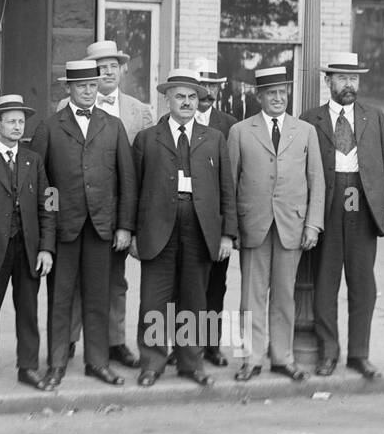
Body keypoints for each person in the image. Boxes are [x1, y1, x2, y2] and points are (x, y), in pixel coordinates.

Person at [300, 51, 384, 380]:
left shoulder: (374, 116)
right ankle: (328, 353)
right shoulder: (310, 119)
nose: (349, 84)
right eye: (342, 78)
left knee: (363, 285)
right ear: (327, 81)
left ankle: (359, 354)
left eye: (354, 79)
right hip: (326, 205)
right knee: (325, 285)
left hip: (362, 202)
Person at [131, 68, 236, 388]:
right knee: (153, 299)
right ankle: (152, 362)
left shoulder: (214, 138)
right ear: (167, 100)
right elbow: (134, 189)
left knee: (195, 297)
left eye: (193, 97)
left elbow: (226, 189)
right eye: (180, 96)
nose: (187, 102)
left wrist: (228, 234)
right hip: (158, 225)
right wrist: (132, 232)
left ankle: (191, 362)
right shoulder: (148, 138)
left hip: (200, 225)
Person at [36, 58, 137, 389]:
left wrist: (123, 226)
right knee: (60, 299)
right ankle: (56, 363)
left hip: (101, 227)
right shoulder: (50, 127)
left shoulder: (112, 125)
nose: (88, 91)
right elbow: (44, 184)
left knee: (98, 297)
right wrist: (49, 225)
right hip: (64, 228)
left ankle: (97, 362)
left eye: (93, 86)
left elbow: (126, 180)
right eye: (81, 86)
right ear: (68, 88)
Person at [53, 39, 152, 367]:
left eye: (113, 66)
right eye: (101, 66)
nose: (107, 71)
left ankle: (114, 343)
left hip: (112, 214)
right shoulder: (60, 114)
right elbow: (50, 173)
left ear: (122, 70)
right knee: (74, 284)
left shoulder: (139, 111)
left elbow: (138, 171)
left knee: (114, 283)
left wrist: (129, 223)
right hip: (74, 214)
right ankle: (67, 341)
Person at [226, 67, 324, 382]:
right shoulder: (241, 131)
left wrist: (313, 225)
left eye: (283, 92)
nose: (278, 98)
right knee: (251, 297)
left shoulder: (305, 131)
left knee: (284, 296)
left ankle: (283, 358)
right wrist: (232, 229)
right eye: (271, 93)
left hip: (291, 226)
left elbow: (316, 182)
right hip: (253, 224)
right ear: (259, 96)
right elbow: (230, 183)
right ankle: (252, 359)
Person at [0, 94, 56, 393]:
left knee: (28, 311)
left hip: (29, 247)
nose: (18, 127)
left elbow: (49, 204)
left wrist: (46, 247)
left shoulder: (34, 159)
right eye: (11, 121)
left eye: (21, 121)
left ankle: (28, 368)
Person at [192, 58, 238, 368]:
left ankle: (210, 346)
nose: (208, 92)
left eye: (213, 86)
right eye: (202, 86)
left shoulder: (231, 125)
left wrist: (229, 231)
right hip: (183, 219)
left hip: (216, 220)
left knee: (214, 286)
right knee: (183, 285)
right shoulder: (172, 119)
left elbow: (233, 179)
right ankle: (181, 346)